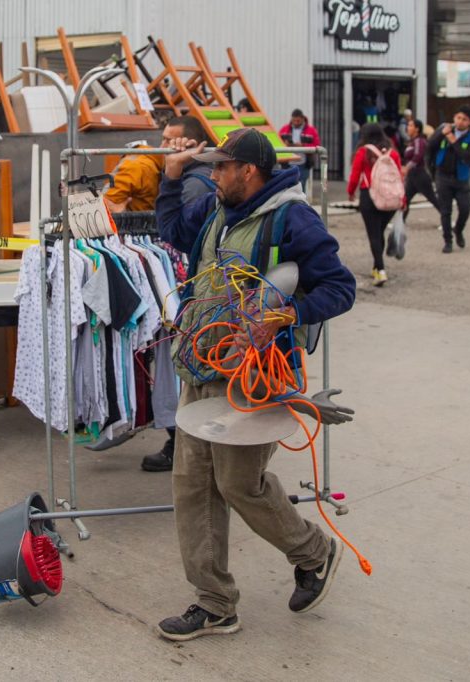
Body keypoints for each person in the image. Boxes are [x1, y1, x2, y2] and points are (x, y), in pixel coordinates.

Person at [153, 128, 356, 641]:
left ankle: (314, 551)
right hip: (200, 367)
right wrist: (171, 180)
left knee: (239, 484)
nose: (214, 174)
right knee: (192, 490)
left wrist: (287, 314)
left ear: (249, 170)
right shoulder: (217, 211)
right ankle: (215, 603)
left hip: (254, 378)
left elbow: (340, 287)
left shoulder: (294, 218)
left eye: (221, 167)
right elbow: (174, 233)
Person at [140, 114, 214, 473]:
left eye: (172, 140)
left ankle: (183, 444)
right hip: (194, 289)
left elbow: (177, 235)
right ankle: (184, 440)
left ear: (191, 144)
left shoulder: (194, 185)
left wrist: (170, 176)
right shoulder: (188, 177)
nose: (164, 145)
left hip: (194, 291)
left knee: (185, 367)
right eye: (164, 137)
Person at [347, 123, 402, 286]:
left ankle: (381, 270)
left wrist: (351, 192)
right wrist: (402, 199)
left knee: (373, 234)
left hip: (369, 197)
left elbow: (355, 175)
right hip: (390, 199)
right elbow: (399, 176)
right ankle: (376, 267)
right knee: (380, 232)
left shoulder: (363, 152)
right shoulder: (393, 153)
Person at [428, 105, 470, 253]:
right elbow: (431, 146)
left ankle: (458, 230)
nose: (460, 121)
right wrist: (442, 134)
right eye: (458, 118)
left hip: (461, 179)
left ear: (469, 122)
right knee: (445, 211)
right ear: (454, 117)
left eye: (464, 119)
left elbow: (466, 157)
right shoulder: (444, 131)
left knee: (465, 209)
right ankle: (447, 241)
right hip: (443, 177)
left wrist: (452, 138)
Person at [402, 119, 439, 222]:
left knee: (433, 199)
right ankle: (400, 222)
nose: (407, 128)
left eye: (410, 126)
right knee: (405, 199)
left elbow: (418, 156)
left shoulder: (419, 141)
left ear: (417, 129)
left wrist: (406, 168)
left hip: (420, 175)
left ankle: (447, 220)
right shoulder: (412, 141)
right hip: (412, 176)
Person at [278, 109, 320, 192]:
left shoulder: (311, 131)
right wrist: (285, 144)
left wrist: (303, 146)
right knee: (286, 186)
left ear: (303, 119)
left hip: (303, 163)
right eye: (294, 120)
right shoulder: (284, 129)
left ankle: (300, 203)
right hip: (287, 163)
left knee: (301, 186)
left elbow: (317, 145)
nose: (296, 122)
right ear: (291, 119)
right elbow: (277, 142)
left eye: (298, 120)